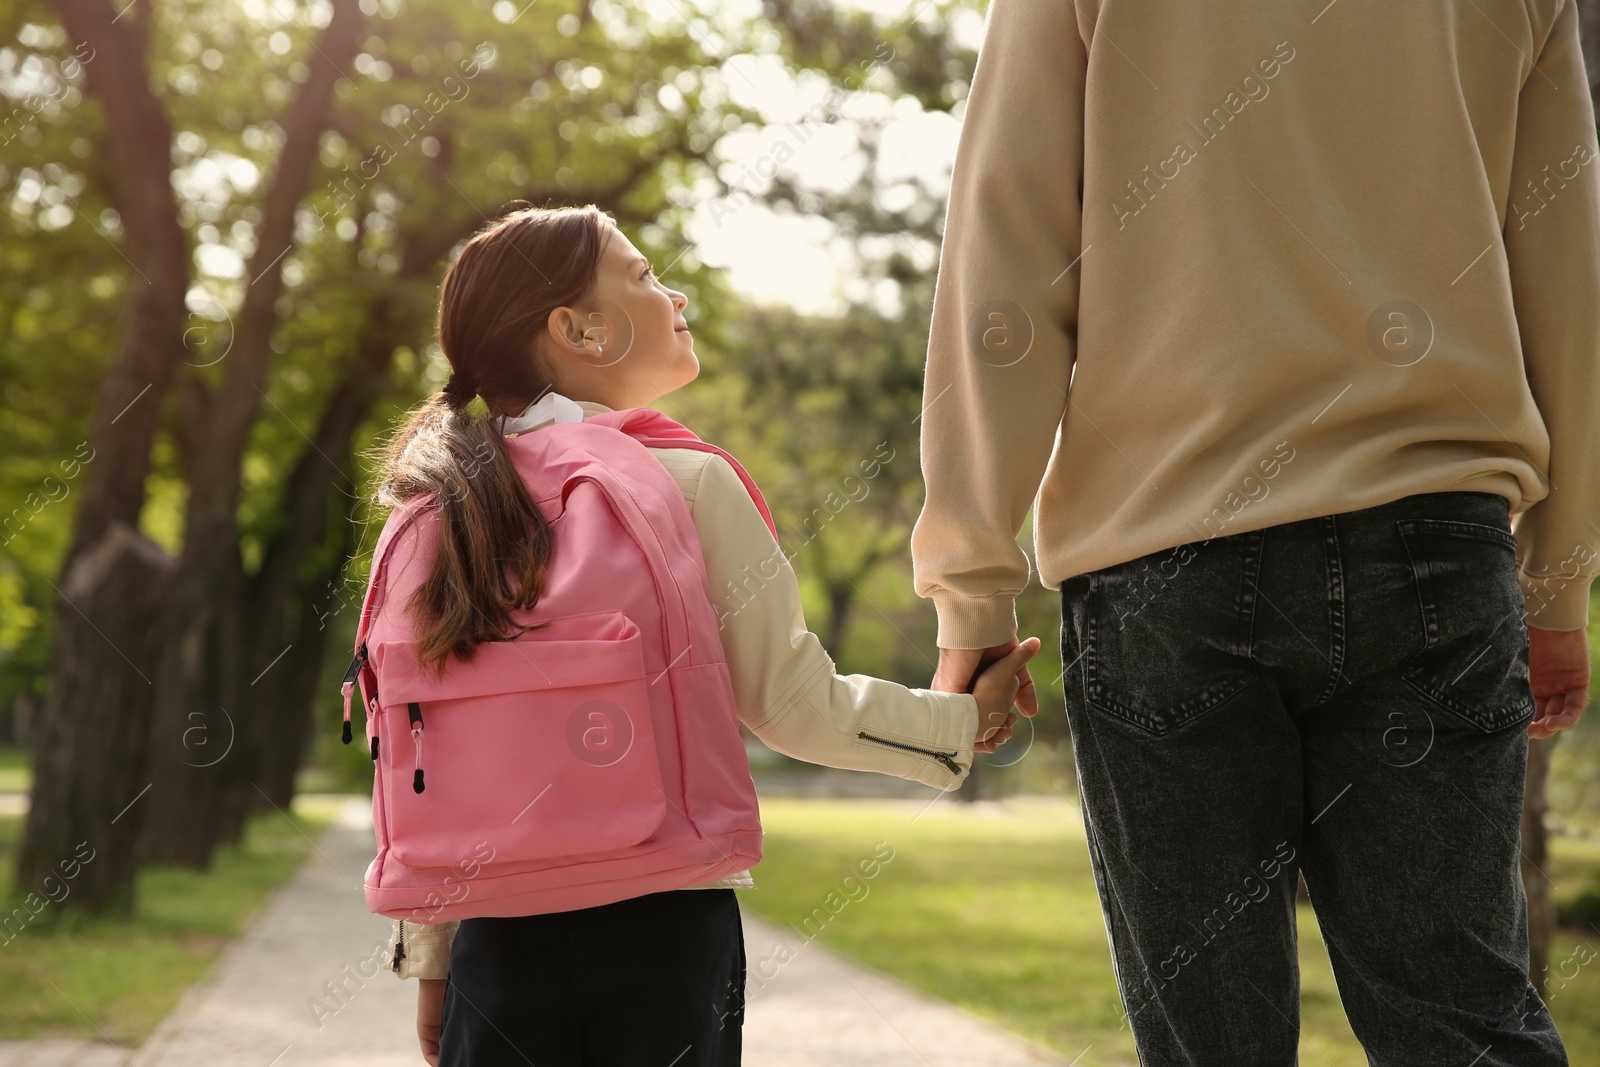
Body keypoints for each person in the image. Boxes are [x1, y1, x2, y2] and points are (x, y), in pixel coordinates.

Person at [911, 0, 1596, 1063]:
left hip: (1164, 560)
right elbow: (1567, 284)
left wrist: (973, 589)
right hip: (1433, 542)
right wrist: (1559, 585)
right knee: (1463, 1019)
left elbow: (1006, 257)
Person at [365, 203, 1041, 1067]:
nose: (675, 294)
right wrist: (962, 722)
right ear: (579, 328)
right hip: (664, 932)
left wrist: (432, 956)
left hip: (495, 939)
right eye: (645, 276)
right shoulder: (683, 483)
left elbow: (429, 744)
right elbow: (797, 706)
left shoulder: (440, 505)